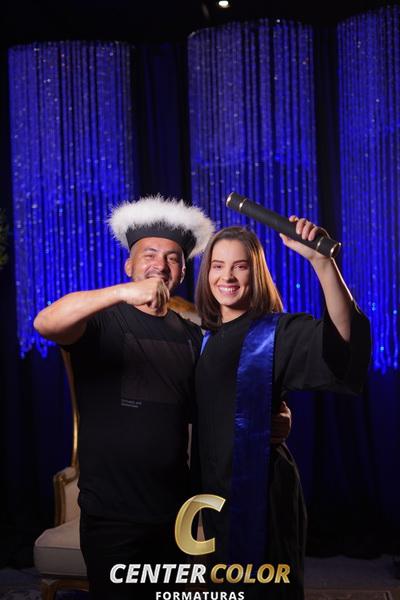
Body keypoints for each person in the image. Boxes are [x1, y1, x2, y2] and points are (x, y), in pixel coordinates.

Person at [33, 195, 291, 599]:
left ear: (183, 272)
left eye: (172, 258)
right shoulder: (98, 321)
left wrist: (272, 418)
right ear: (129, 266)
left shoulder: (193, 336)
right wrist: (123, 294)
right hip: (112, 515)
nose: (161, 264)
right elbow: (45, 322)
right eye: (149, 254)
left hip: (175, 514)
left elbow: (221, 400)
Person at [194, 217, 371, 600]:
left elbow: (342, 347)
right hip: (213, 495)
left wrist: (323, 263)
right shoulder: (201, 338)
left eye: (240, 266)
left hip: (261, 493)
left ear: (255, 273)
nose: (227, 276)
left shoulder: (275, 333)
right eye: (218, 265)